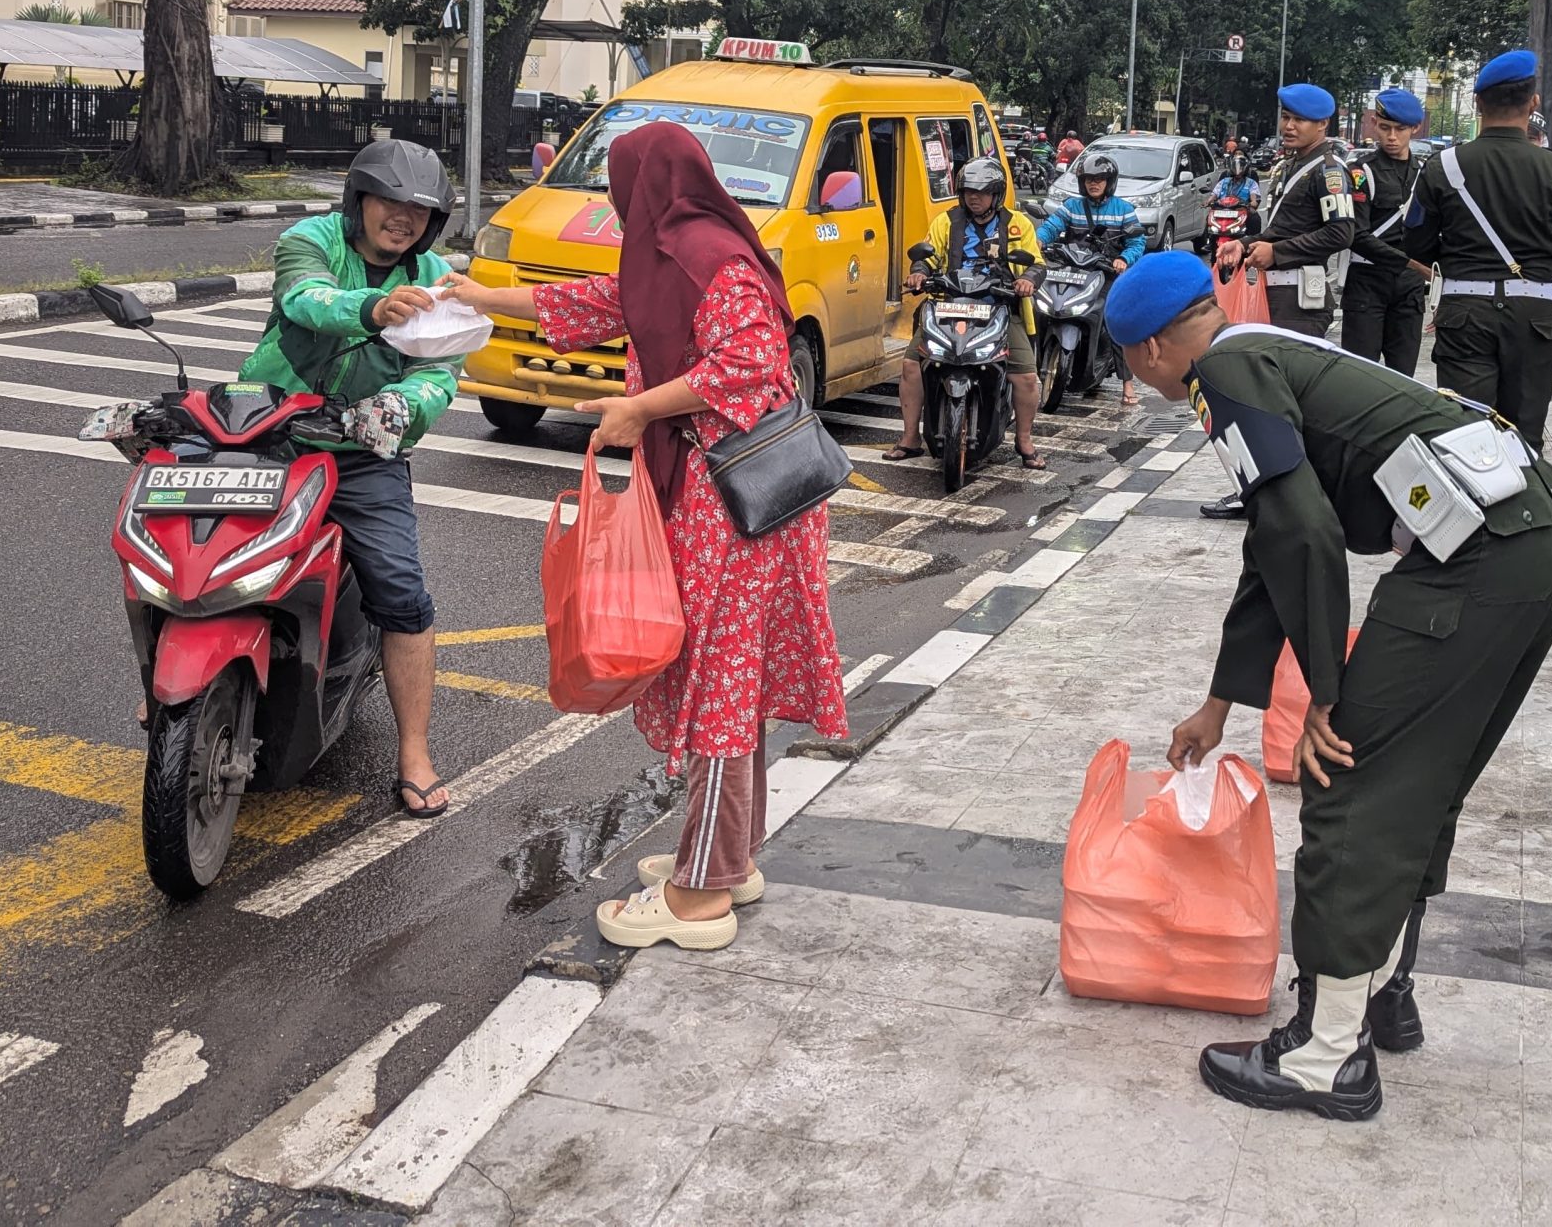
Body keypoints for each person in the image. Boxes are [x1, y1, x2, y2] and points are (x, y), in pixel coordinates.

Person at [1106, 252, 1552, 1122]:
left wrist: (1324, 692)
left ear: (1147, 354)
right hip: (1540, 526)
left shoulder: (1221, 376)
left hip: (1480, 553)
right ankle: (1377, 994)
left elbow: (1303, 531)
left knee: (1348, 783)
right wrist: (1224, 701)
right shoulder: (1271, 350)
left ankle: (1325, 1057)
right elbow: (1275, 539)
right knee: (1419, 774)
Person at [443, 122, 847, 950]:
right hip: (716, 500)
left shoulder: (710, 259)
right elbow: (591, 303)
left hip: (739, 509)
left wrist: (637, 408)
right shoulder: (669, 255)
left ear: (647, 186)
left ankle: (702, 893)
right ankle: (727, 858)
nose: (616, 203)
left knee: (721, 695)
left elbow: (750, 366)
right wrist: (478, 297)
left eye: (621, 186)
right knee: (721, 683)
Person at [234, 140, 464, 819]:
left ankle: (415, 752)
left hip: (365, 451)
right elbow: (305, 300)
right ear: (359, 199)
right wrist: (371, 309)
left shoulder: (435, 275)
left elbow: (439, 371)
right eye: (390, 201)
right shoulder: (309, 240)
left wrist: (405, 406)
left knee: (402, 591)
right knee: (200, 537)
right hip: (268, 430)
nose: (404, 218)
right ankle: (172, 690)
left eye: (420, 210)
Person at [1401, 51, 1552, 449]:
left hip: (1464, 314)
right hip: (1534, 316)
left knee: (1467, 435)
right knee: (1524, 438)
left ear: (1477, 103)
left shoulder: (1442, 166)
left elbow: (1417, 244)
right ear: (1533, 102)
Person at [1202, 83, 1358, 519]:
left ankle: (1292, 496)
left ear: (1322, 125)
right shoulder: (1293, 166)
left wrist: (1277, 253)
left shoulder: (1329, 170)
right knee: (1265, 394)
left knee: (1288, 398)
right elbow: (1280, 229)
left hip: (1299, 298)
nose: (1288, 126)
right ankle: (1265, 489)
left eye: (1299, 120)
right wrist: (1245, 242)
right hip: (1272, 291)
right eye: (1286, 117)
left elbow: (1341, 233)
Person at [887, 155, 1049, 468]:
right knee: (910, 365)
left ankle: (1025, 440)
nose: (974, 197)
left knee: (1027, 377)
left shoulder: (1018, 224)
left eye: (982, 191)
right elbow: (927, 256)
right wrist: (919, 271)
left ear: (997, 194)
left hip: (999, 308)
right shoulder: (946, 221)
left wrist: (1027, 280)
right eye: (968, 191)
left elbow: (1037, 264)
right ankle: (910, 438)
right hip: (948, 305)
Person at [1036, 150, 1147, 409]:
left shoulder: (1123, 209)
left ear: (1110, 182)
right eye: (1088, 179)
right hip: (1072, 270)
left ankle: (1127, 383)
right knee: (1037, 307)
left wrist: (1124, 259)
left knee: (1116, 321)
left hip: (1107, 272)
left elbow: (1137, 241)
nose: (1093, 183)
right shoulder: (1072, 206)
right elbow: (1052, 226)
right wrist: (1039, 240)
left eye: (1099, 179)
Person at [1341, 90, 1432, 376]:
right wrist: (1413, 265)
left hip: (1410, 289)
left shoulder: (1427, 174)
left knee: (1404, 379)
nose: (1392, 137)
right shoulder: (1360, 171)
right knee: (1360, 377)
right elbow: (1357, 234)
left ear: (1415, 129)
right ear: (1374, 123)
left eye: (1400, 129)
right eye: (1385, 128)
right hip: (1368, 282)